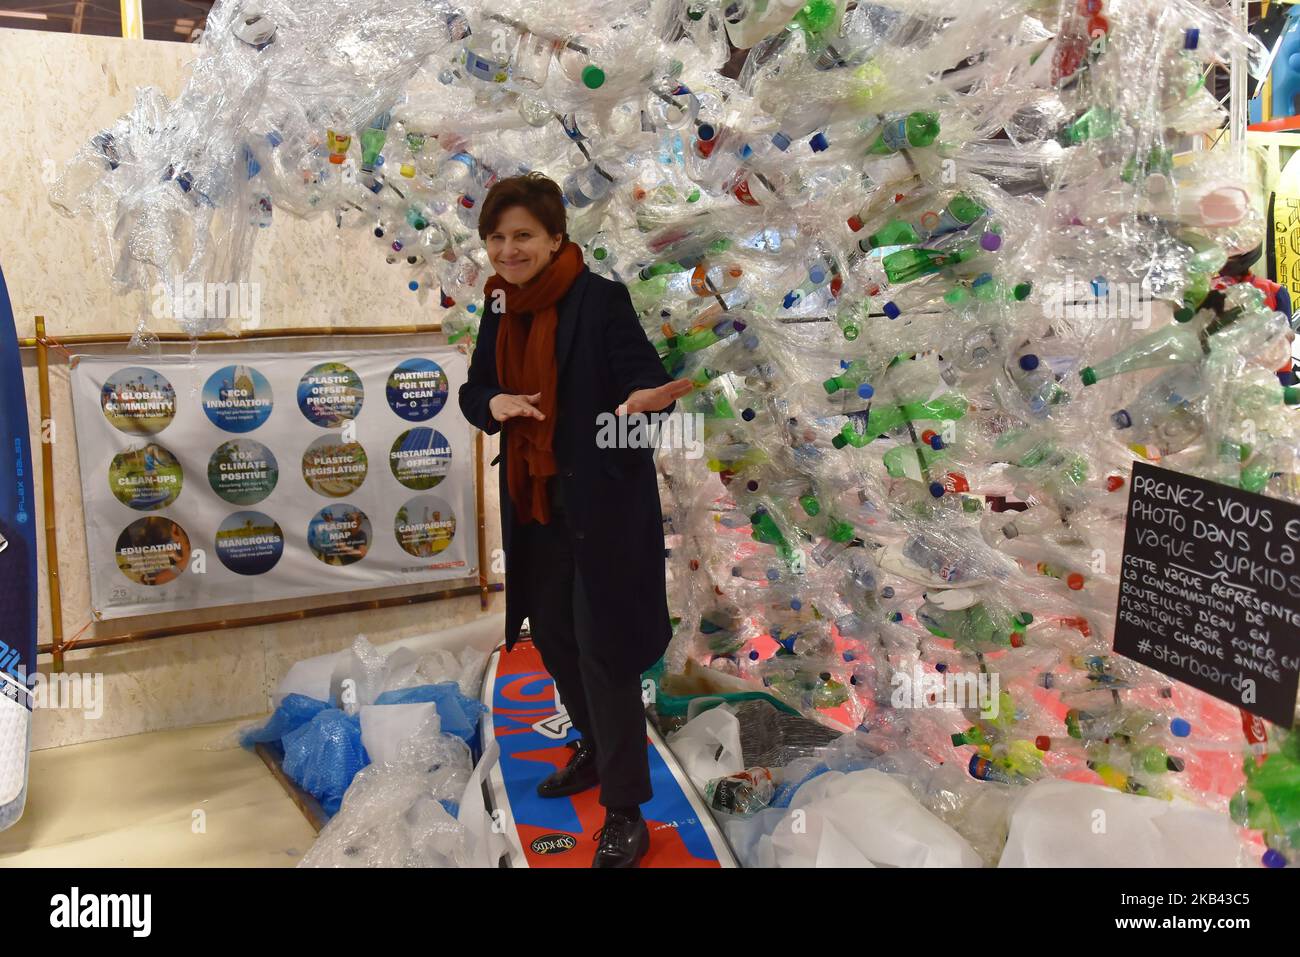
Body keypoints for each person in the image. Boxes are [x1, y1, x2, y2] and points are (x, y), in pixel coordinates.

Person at [458, 173, 690, 867]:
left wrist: (641, 404)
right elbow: (475, 387)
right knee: (552, 634)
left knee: (601, 647)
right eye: (496, 237)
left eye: (523, 235)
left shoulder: (600, 300)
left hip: (603, 507)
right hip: (535, 504)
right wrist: (492, 403)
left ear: (556, 236)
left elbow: (643, 380)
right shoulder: (499, 305)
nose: (508, 249)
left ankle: (625, 811)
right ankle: (591, 743)